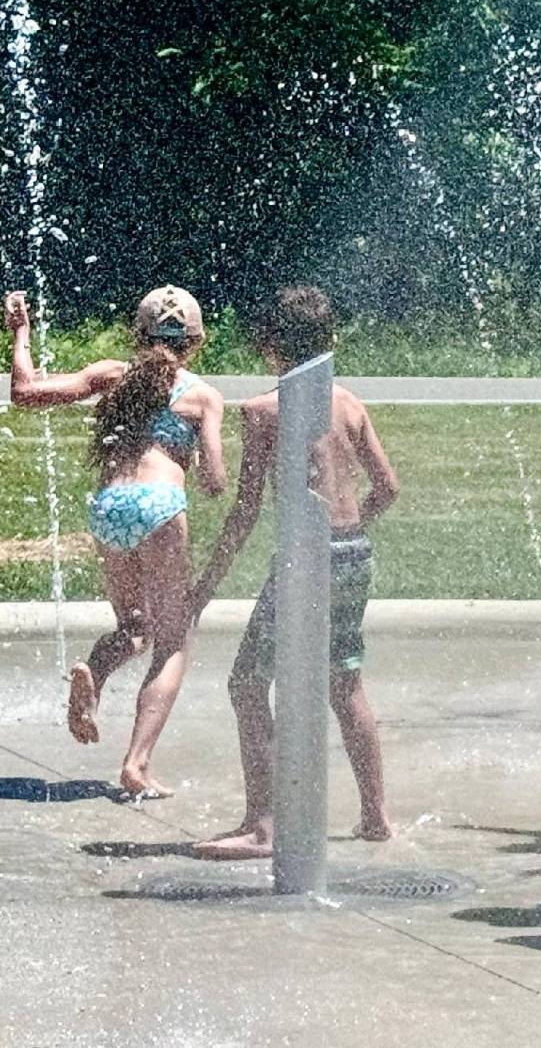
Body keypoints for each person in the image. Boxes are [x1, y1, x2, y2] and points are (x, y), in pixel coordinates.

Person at [186, 285, 401, 859]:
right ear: (329, 341)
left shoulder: (264, 412)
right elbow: (388, 487)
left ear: (266, 346)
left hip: (305, 560)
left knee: (247, 682)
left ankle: (264, 824)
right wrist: (349, 533)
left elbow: (245, 512)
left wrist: (205, 587)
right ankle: (376, 816)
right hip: (353, 552)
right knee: (345, 683)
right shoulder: (349, 403)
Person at [6, 285, 226, 801]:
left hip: (109, 507)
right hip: (161, 508)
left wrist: (20, 332)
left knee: (133, 626)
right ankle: (137, 764)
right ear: (196, 342)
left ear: (138, 332)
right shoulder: (202, 396)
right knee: (171, 640)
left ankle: (95, 673)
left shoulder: (111, 376)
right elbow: (216, 481)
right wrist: (199, 462)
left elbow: (24, 393)